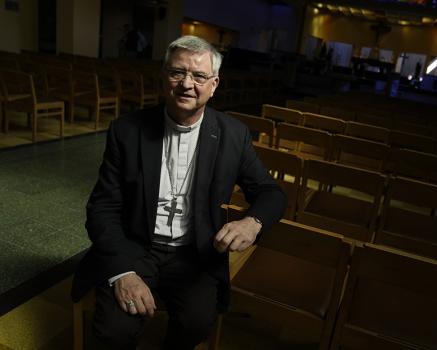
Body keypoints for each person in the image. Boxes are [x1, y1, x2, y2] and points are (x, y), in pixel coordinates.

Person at [71, 35, 286, 349]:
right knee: (113, 331)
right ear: (163, 78)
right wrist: (123, 273)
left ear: (214, 85)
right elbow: (102, 208)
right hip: (135, 246)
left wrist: (252, 222)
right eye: (177, 73)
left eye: (199, 76)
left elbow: (271, 193)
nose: (187, 83)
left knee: (196, 324)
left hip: (195, 253)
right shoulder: (127, 130)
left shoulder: (233, 135)